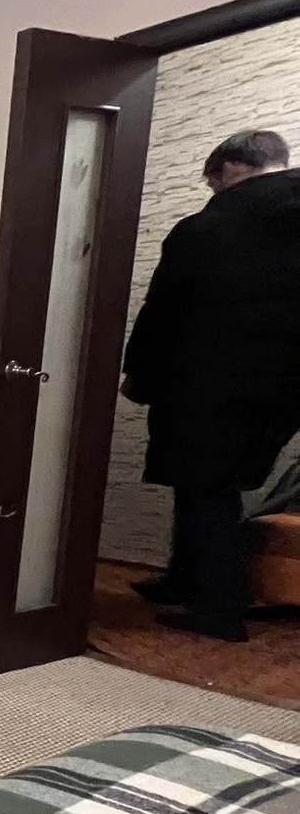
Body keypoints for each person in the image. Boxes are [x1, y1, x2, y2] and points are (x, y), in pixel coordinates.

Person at [121, 129, 300, 642]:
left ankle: (219, 608)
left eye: (213, 181)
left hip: (209, 379)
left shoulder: (206, 228)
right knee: (210, 485)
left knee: (205, 490)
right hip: (284, 387)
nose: (213, 191)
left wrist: (139, 374)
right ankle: (185, 580)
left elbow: (163, 309)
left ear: (232, 169)